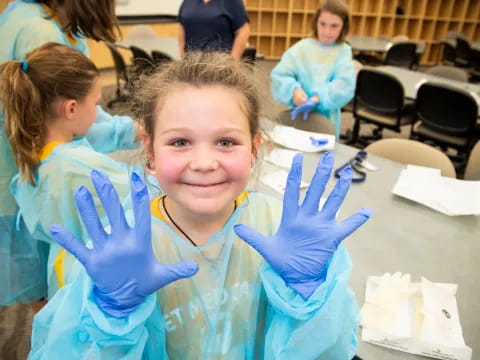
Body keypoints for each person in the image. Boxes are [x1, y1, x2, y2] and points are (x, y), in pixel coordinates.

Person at [28, 51, 372, 359]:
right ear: (149, 150)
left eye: (226, 141)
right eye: (180, 141)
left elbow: (330, 348)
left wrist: (308, 294)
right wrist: (112, 316)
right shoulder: (123, 245)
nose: (204, 162)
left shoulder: (281, 228)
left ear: (254, 147)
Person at [0, 0, 140, 305]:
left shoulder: (46, 162)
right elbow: (134, 193)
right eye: (96, 101)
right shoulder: (74, 164)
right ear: (72, 107)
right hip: (74, 281)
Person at [270, 0, 355, 137]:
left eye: (334, 26)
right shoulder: (302, 48)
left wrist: (317, 99)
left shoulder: (343, 52)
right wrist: (294, 90)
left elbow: (344, 85)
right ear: (316, 23)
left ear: (343, 28)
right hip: (298, 114)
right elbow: (280, 75)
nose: (327, 31)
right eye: (323, 24)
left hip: (328, 119)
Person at [178, 0, 250, 60]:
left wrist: (233, 61)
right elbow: (181, 26)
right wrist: (182, 56)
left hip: (219, 65)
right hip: (191, 64)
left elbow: (243, 31)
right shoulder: (188, 1)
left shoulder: (232, 2)